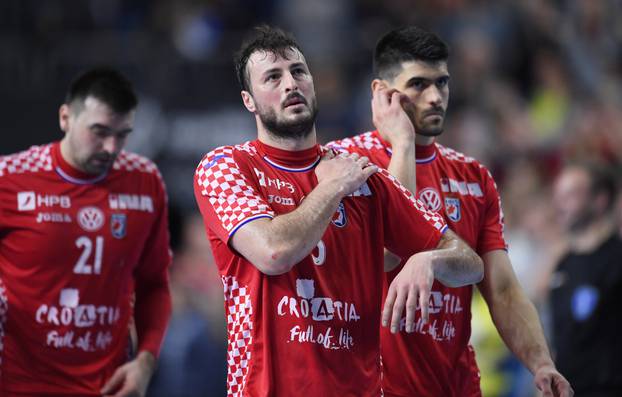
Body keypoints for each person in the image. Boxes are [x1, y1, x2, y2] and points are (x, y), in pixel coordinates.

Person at [193, 25, 484, 396]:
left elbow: (470, 263)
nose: (290, 84)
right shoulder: (226, 167)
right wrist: (332, 187)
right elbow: (273, 251)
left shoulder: (361, 176)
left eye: (299, 72)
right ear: (249, 100)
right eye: (273, 77)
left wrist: (429, 261)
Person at [327, 26, 572, 397]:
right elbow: (388, 252)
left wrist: (540, 362)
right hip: (374, 386)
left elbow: (502, 288)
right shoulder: (344, 163)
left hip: (456, 385)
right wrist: (404, 145)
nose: (435, 97)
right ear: (381, 94)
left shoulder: (474, 177)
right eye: (419, 85)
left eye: (442, 83)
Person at [0, 68, 172, 396]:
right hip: (20, 384)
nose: (111, 147)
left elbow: (155, 284)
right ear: (65, 118)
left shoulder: (145, 181)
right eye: (99, 131)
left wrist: (146, 360)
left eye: (122, 135)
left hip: (107, 386)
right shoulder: (9, 179)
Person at [549, 162, 622, 396]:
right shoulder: (563, 264)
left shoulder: (617, 259)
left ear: (599, 200)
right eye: (557, 195)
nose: (559, 205)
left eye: (570, 195)